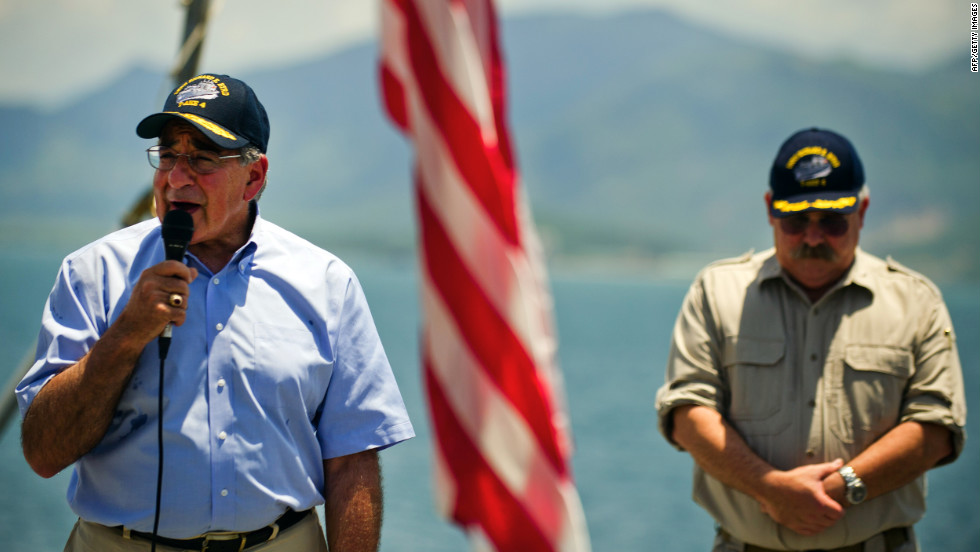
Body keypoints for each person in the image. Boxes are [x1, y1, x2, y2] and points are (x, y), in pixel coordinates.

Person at [17, 73, 415, 552]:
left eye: (202, 158)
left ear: (254, 176)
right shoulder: (92, 273)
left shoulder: (327, 284)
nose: (176, 177)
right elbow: (43, 453)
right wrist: (127, 334)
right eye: (167, 155)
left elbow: (353, 460)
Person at [655, 127, 966, 552]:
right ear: (769, 209)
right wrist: (770, 489)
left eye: (832, 222)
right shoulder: (715, 293)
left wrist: (841, 489)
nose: (813, 237)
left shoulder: (916, 301)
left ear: (863, 209)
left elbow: (936, 427)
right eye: (797, 220)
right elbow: (687, 412)